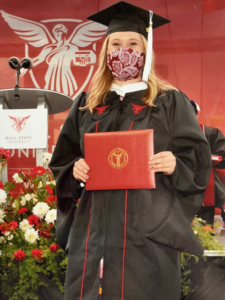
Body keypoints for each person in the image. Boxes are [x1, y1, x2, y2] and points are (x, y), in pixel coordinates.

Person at [49, 2, 211, 300]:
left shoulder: (169, 102)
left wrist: (175, 164)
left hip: (147, 236)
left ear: (146, 50)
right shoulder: (86, 104)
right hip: (94, 235)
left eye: (133, 43)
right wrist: (74, 169)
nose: (124, 51)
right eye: (116, 44)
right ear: (105, 52)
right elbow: (64, 161)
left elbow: (198, 162)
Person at [190, 100, 225, 226]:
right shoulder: (172, 134)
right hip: (182, 181)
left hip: (206, 181)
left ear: (196, 115)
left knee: (206, 228)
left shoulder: (210, 133)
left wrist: (204, 158)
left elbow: (222, 155)